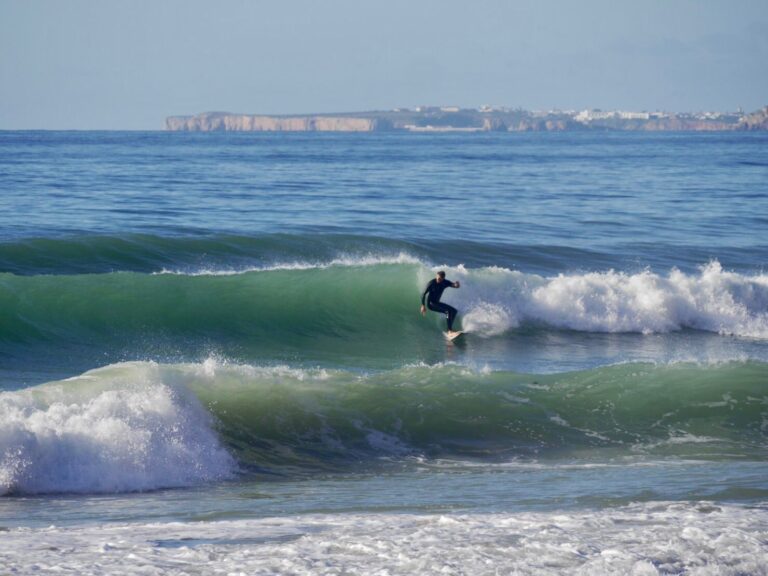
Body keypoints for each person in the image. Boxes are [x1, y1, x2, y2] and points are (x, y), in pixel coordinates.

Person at [420, 270, 461, 336]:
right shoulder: (431, 283)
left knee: (454, 311)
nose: (439, 280)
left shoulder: (444, 282)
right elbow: (423, 294)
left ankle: (450, 329)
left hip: (437, 303)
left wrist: (457, 285)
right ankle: (449, 331)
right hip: (431, 304)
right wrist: (423, 305)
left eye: (441, 279)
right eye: (438, 278)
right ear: (436, 275)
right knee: (448, 311)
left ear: (443, 279)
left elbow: (453, 285)